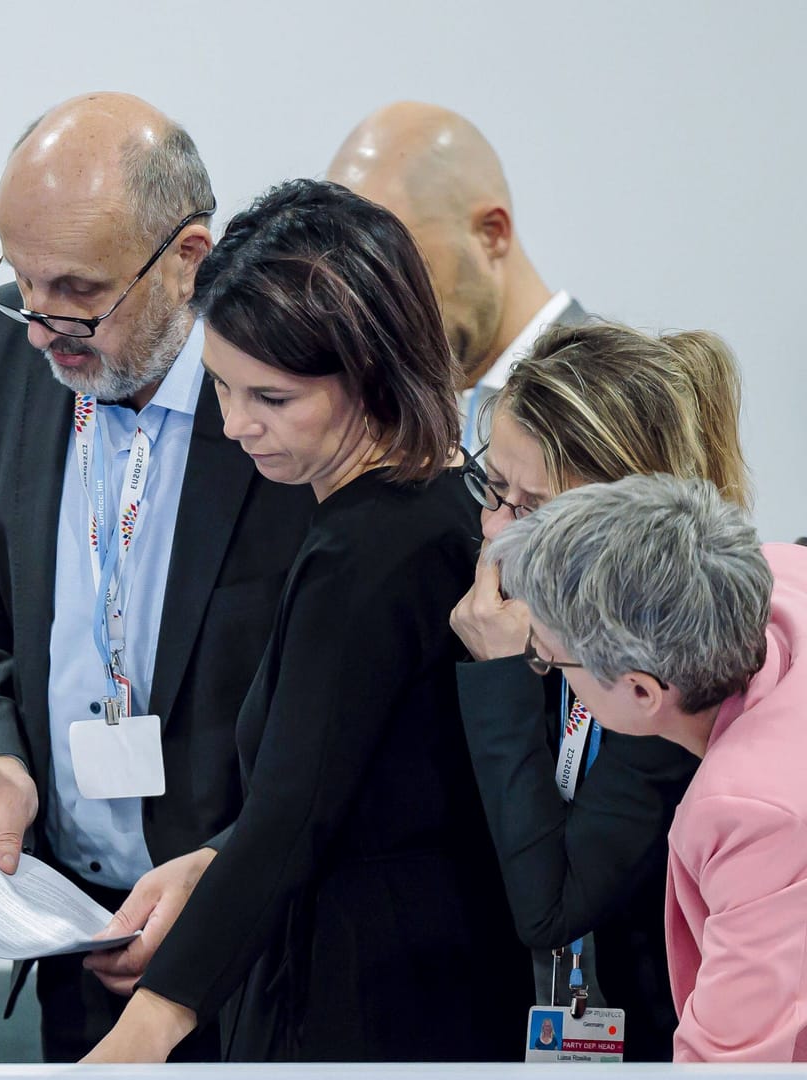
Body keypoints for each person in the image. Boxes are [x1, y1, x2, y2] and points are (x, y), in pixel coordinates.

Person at [83, 179, 527, 1063]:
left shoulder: (364, 555)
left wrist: (138, 1038)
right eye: (219, 387)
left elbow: (295, 816)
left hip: (370, 1003)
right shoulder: (439, 502)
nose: (237, 425)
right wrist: (217, 863)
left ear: (369, 369)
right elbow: (352, 779)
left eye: (272, 399)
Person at [0, 91, 314, 1061]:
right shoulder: (6, 355)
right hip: (75, 943)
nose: (40, 326)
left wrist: (224, 875)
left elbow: (349, 714)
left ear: (190, 258)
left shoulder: (295, 405)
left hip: (264, 961)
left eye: (77, 291)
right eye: (19, 282)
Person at [449, 321, 751, 1060]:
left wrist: (500, 673)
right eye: (494, 489)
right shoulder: (523, 592)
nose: (494, 531)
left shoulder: (688, 651)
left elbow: (552, 905)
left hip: (672, 1039)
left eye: (537, 510)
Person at [494, 474, 807, 1062]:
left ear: (641, 691)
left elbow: (731, 1060)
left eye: (549, 657)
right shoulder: (782, 572)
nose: (547, 669)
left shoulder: (753, 810)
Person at [327, 102, 587, 449]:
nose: (372, 311)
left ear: (492, 233)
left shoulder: (609, 408)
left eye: (399, 270)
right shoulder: (393, 408)